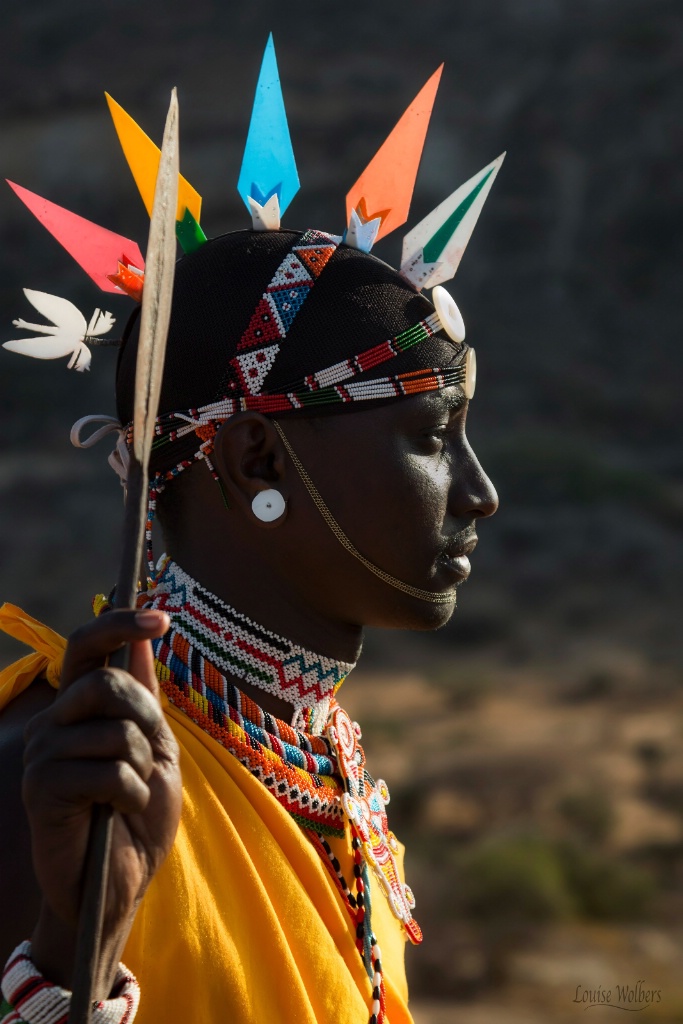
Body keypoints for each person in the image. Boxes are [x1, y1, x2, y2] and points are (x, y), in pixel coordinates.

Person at [0, 40, 500, 1024]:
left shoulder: (321, 766)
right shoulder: (58, 781)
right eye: (434, 438)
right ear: (255, 460)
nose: (478, 492)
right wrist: (74, 948)